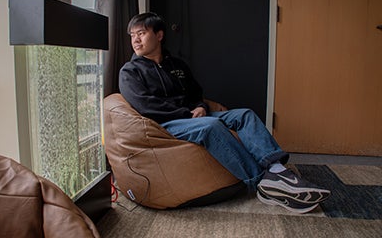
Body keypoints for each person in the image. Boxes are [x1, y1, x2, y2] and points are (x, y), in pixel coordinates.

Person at [119, 12, 331, 213]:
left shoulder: (177, 65)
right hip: (167, 123)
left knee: (244, 114)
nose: (135, 40)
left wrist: (201, 106)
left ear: (159, 35)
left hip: (195, 115)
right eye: (132, 35)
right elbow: (146, 106)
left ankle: (276, 170)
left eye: (141, 33)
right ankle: (261, 182)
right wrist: (187, 113)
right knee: (211, 126)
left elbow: (196, 93)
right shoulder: (130, 71)